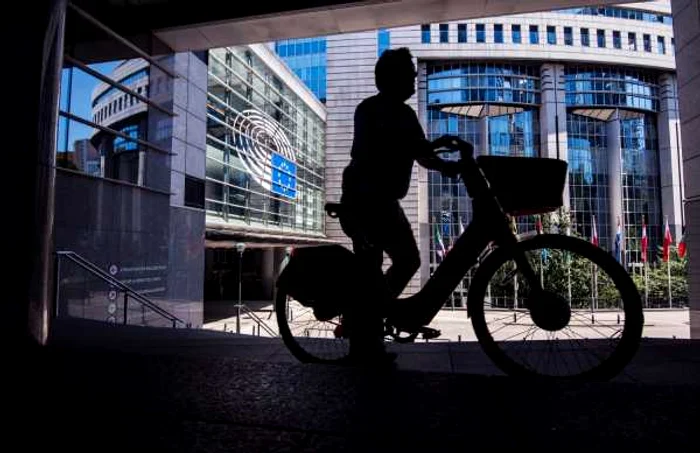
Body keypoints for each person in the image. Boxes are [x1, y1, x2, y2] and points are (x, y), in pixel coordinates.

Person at [339, 47, 461, 365]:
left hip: (386, 202)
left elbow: (421, 152)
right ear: (392, 77)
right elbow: (367, 152)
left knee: (408, 260)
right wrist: (426, 149)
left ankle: (374, 317)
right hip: (365, 200)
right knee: (371, 268)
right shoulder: (369, 110)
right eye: (409, 73)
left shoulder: (405, 114)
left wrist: (445, 165)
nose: (414, 78)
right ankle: (364, 341)